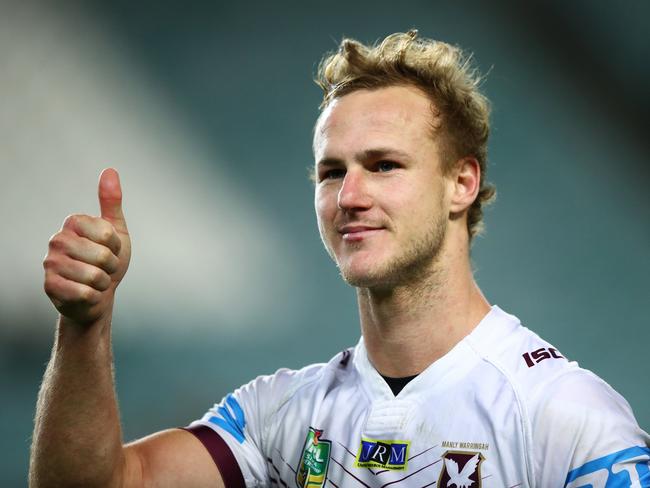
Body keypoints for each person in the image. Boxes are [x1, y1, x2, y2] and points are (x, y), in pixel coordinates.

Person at [30, 30, 649, 488]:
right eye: (332, 172)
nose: (350, 196)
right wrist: (86, 324)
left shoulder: (564, 420)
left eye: (383, 165)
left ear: (462, 183)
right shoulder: (279, 417)